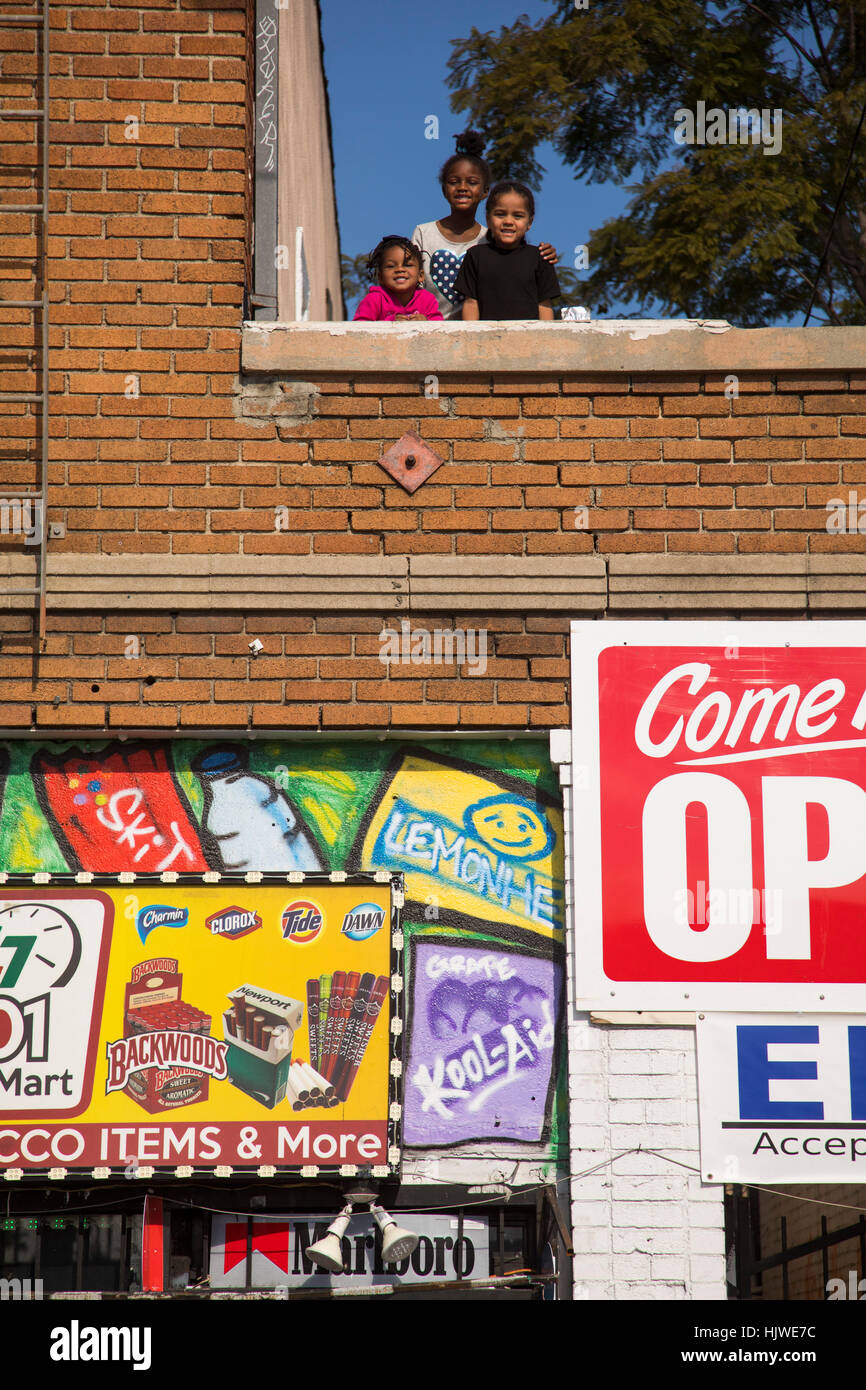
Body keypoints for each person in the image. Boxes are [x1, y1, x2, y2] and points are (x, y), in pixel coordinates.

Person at [411, 131, 558, 320]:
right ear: (444, 189)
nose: (462, 187)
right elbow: (411, 283)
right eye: (454, 182)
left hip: (474, 334)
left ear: (485, 191)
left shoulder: (493, 239)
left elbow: (521, 268)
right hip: (428, 327)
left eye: (472, 182)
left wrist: (545, 254)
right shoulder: (424, 233)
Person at [454, 182, 561, 321]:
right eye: (500, 214)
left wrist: (546, 340)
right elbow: (471, 303)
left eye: (518, 216)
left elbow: (544, 306)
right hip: (487, 339)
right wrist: (471, 338)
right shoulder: (475, 256)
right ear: (488, 219)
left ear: (529, 222)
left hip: (529, 339)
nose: (508, 221)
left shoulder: (541, 258)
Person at [353, 236, 443, 322]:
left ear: (420, 276)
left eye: (408, 265)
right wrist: (390, 323)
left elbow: (442, 326)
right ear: (380, 277)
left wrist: (426, 322)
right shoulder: (374, 299)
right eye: (391, 266)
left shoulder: (427, 300)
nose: (400, 269)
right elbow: (359, 327)